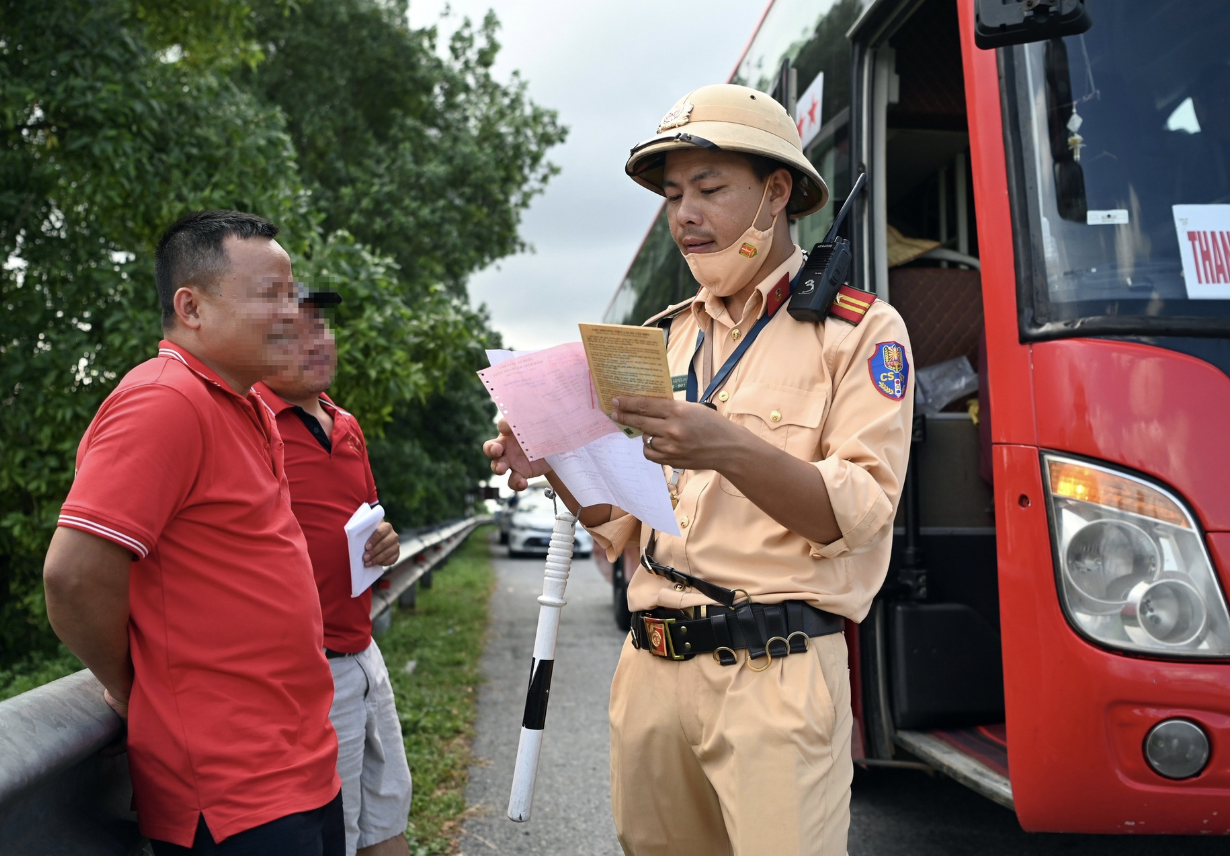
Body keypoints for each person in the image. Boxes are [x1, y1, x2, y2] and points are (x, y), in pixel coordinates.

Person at [483, 84, 913, 856]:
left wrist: (723, 445)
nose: (685, 213)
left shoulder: (859, 331)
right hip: (648, 671)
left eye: (710, 189)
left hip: (776, 671)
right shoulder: (662, 339)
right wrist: (550, 457)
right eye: (675, 193)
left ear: (777, 192)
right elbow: (615, 523)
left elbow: (852, 514)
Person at [43, 210, 344, 855]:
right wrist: (133, 685)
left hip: (304, 765)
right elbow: (73, 578)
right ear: (192, 307)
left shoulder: (246, 404)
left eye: (291, 292)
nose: (292, 312)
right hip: (233, 792)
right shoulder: (164, 401)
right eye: (271, 294)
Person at [255, 294, 413, 856]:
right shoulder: (249, 422)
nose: (317, 342)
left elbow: (367, 522)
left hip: (364, 650)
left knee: (387, 813)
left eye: (321, 327)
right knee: (335, 833)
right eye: (294, 334)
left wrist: (386, 543)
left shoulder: (345, 422)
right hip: (307, 670)